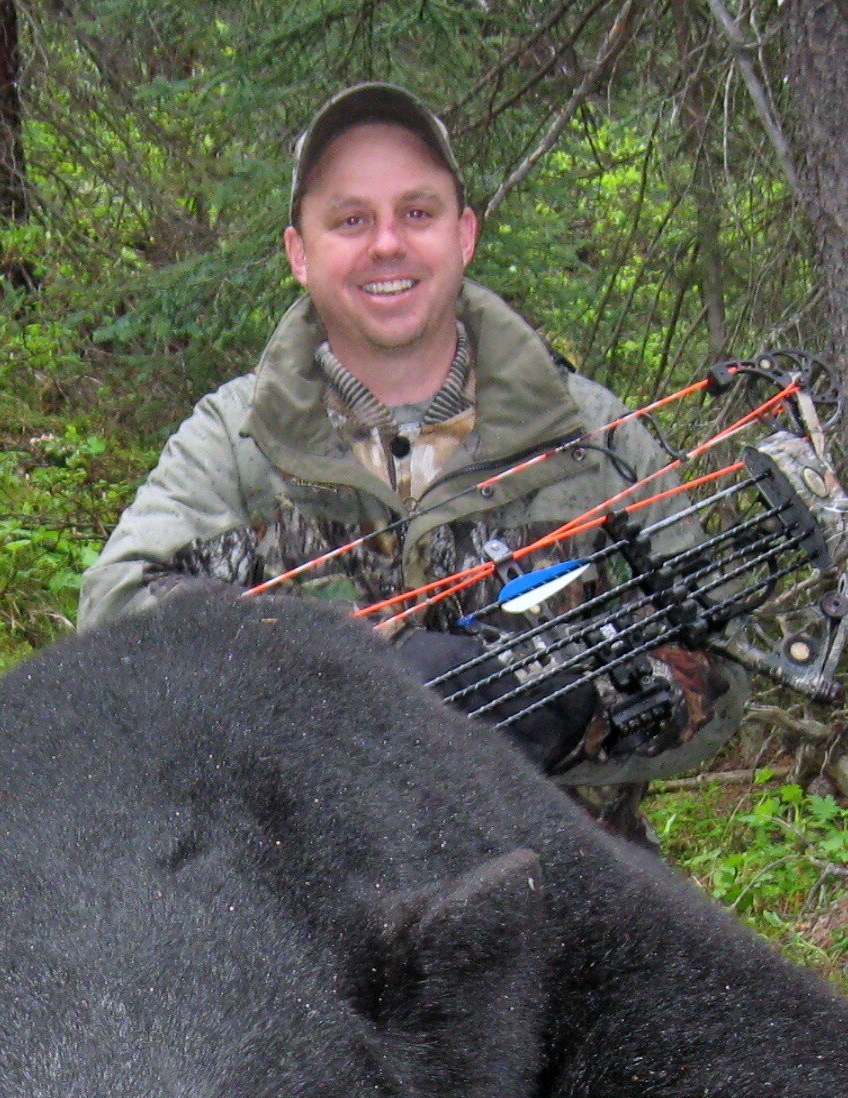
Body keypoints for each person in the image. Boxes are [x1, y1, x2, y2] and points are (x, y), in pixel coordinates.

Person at [77, 84, 748, 803]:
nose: (387, 243)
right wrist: (337, 666)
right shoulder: (236, 439)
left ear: (463, 235)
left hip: (553, 885)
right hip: (301, 892)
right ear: (299, 253)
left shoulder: (591, 437)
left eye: (417, 213)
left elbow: (717, 662)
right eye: (351, 219)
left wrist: (573, 709)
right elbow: (116, 615)